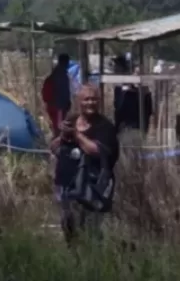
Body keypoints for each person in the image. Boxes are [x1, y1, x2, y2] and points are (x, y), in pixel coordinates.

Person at [51, 84, 120, 245]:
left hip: (92, 189)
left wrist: (76, 134)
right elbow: (54, 148)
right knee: (69, 228)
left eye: (94, 99)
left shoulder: (105, 126)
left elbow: (96, 150)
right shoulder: (71, 120)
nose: (91, 103)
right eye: (87, 99)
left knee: (91, 230)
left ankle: (92, 262)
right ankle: (74, 263)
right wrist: (63, 135)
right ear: (79, 101)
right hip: (67, 185)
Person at [41, 53, 72, 135]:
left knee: (56, 128)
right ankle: (57, 145)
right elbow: (63, 93)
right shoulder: (61, 75)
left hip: (52, 105)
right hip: (58, 107)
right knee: (60, 129)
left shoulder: (55, 73)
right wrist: (66, 104)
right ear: (66, 62)